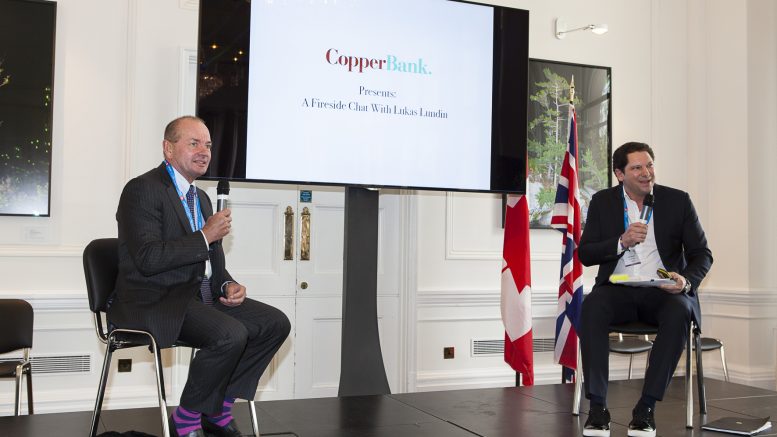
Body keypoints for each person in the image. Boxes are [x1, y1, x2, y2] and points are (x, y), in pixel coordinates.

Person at [108, 115, 291, 437]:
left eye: (207, 144)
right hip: (154, 298)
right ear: (168, 148)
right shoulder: (143, 190)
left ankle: (218, 407)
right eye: (193, 143)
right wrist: (206, 235)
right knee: (230, 333)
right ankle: (188, 418)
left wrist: (226, 283)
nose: (204, 151)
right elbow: (148, 259)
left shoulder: (201, 198)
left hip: (197, 295)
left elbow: (212, 261)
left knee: (274, 323)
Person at [578, 142, 713, 437]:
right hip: (618, 289)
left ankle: (646, 408)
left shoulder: (678, 201)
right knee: (591, 308)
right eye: (636, 168)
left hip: (662, 290)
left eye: (649, 165)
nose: (646, 173)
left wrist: (685, 281)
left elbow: (702, 253)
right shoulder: (602, 202)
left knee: (681, 312)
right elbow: (585, 254)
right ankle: (598, 407)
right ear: (619, 174)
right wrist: (621, 242)